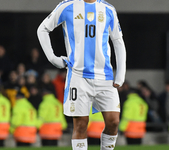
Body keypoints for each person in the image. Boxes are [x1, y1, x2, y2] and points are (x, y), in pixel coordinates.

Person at [37, 0, 126, 149]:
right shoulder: (67, 6)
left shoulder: (108, 9)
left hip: (105, 77)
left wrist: (121, 73)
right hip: (78, 77)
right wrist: (53, 58)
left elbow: (118, 40)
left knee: (114, 122)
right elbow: (42, 29)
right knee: (80, 125)